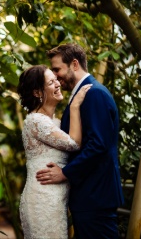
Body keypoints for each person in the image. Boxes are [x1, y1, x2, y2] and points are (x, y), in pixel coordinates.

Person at [36, 43, 124, 239]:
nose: (55, 75)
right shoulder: (82, 94)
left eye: (57, 69)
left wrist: (65, 173)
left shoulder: (94, 94)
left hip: (95, 196)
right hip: (88, 196)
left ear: (74, 64)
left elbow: (98, 145)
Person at [17, 64, 91, 239]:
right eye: (51, 82)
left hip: (55, 201)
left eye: (56, 79)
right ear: (37, 92)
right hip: (42, 201)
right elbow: (74, 144)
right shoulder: (35, 121)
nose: (58, 84)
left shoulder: (54, 123)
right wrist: (75, 106)